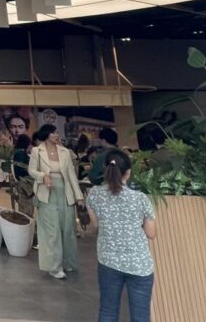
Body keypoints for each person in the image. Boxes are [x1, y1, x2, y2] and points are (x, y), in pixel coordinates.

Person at [86, 150, 156, 322]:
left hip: (108, 262)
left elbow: (95, 226)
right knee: (140, 317)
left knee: (108, 312)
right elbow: (151, 234)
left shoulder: (94, 194)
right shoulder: (140, 199)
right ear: (129, 172)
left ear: (106, 169)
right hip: (139, 265)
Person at [29, 123, 84, 279]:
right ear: (47, 135)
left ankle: (68, 262)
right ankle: (54, 266)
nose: (57, 135)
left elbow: (71, 175)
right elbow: (31, 170)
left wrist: (78, 196)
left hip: (65, 193)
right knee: (52, 231)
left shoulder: (65, 152)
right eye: (53, 133)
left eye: (57, 132)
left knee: (67, 230)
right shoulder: (37, 151)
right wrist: (42, 176)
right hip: (47, 194)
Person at [11, 133, 35, 219]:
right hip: (24, 182)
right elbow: (21, 168)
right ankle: (27, 224)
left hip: (20, 181)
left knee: (23, 204)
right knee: (27, 206)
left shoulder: (17, 152)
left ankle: (25, 222)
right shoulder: (21, 153)